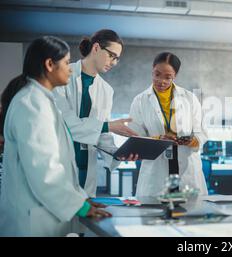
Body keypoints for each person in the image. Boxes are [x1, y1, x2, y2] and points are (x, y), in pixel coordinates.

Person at [0, 36, 111, 236]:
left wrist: (81, 198)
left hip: (43, 215)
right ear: (50, 64)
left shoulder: (43, 102)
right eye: (67, 62)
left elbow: (61, 165)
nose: (70, 69)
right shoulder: (32, 105)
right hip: (31, 220)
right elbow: (45, 170)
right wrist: (82, 207)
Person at [53, 29, 138, 197]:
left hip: (87, 168)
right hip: (60, 165)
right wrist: (108, 126)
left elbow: (102, 136)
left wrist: (119, 155)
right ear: (97, 48)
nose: (113, 63)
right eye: (111, 56)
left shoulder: (106, 90)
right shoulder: (63, 76)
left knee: (84, 218)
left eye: (117, 59)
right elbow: (64, 123)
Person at [128, 52, 208, 197]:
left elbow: (201, 132)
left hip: (186, 168)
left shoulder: (189, 98)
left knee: (189, 214)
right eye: (157, 74)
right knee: (155, 214)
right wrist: (158, 139)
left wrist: (192, 140)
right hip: (156, 171)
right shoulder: (140, 101)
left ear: (175, 76)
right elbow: (136, 136)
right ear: (152, 69)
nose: (161, 81)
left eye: (168, 77)